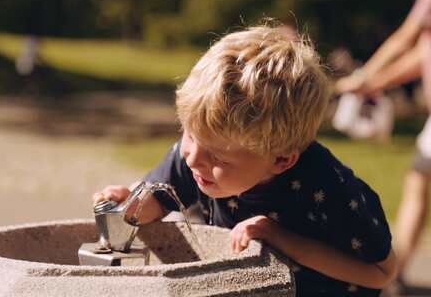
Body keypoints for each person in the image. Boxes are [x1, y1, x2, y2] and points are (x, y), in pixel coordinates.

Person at [94, 25, 397, 296]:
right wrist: (128, 206)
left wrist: (280, 238)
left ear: (281, 160)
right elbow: (158, 199)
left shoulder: (329, 187)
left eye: (217, 155)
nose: (193, 159)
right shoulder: (200, 153)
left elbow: (381, 274)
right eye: (189, 135)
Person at [335, 0, 431, 286]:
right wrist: (373, 84)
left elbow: (405, 37)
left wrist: (363, 75)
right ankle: (396, 270)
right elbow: (423, 54)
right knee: (419, 177)